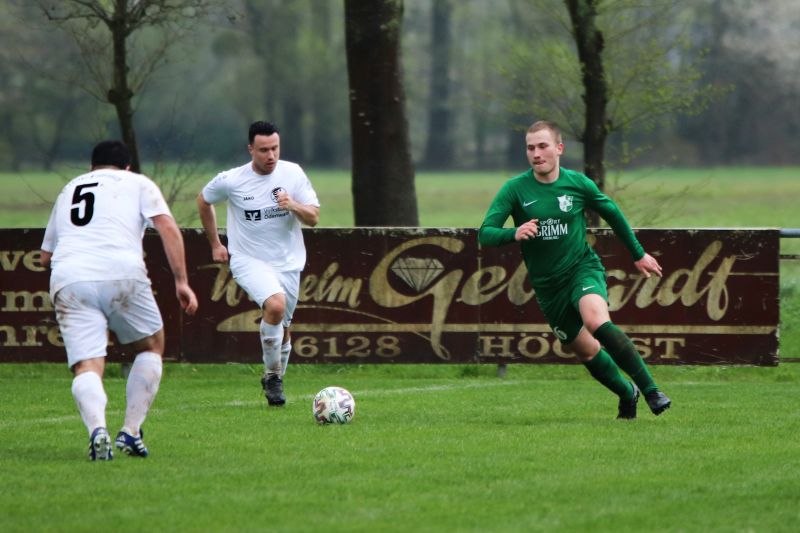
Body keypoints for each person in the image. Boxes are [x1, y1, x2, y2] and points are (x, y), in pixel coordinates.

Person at [478, 120, 671, 419]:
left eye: (543, 146)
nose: (536, 154)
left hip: (581, 268)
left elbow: (612, 213)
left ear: (559, 148)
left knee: (596, 321)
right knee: (587, 351)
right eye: (530, 148)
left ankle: (652, 391)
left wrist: (638, 254)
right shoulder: (515, 189)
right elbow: (485, 233)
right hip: (548, 287)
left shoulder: (578, 184)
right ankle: (627, 393)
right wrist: (513, 233)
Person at [40, 140, 198, 461]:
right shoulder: (137, 182)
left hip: (69, 276)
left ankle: (97, 430)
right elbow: (167, 227)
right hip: (121, 272)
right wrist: (181, 281)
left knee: (87, 364)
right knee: (151, 345)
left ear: (92, 167)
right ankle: (131, 430)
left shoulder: (70, 188)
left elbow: (45, 257)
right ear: (127, 167)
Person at [197, 121, 320, 407]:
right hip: (248, 259)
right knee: (275, 306)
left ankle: (274, 379)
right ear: (251, 149)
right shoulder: (232, 180)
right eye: (264, 150)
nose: (271, 155)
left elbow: (313, 218)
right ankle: (273, 377)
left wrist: (293, 205)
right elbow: (204, 201)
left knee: (283, 326)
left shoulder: (293, 173)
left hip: (288, 262)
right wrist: (215, 243)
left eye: (275, 148)